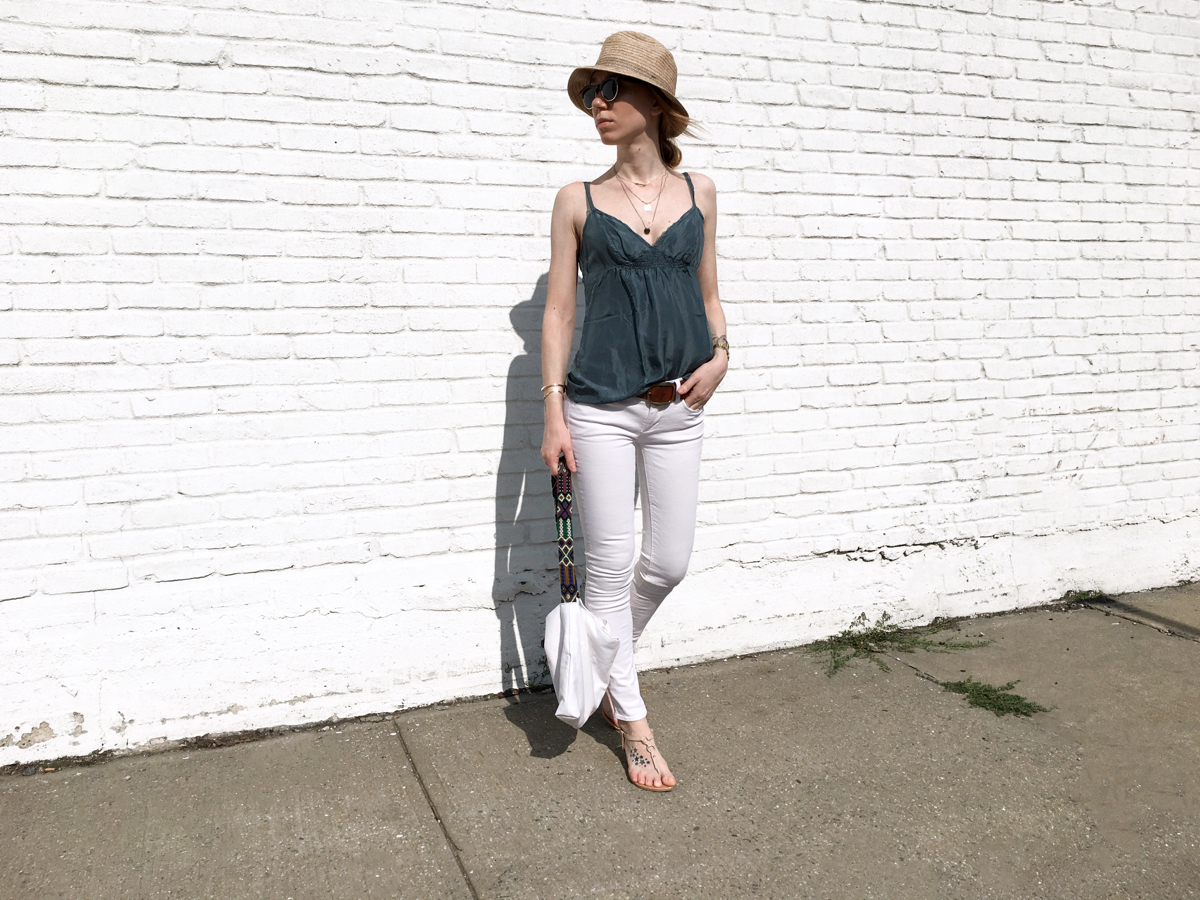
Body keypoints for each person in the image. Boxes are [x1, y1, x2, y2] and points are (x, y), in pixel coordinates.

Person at [540, 32, 729, 792]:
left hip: (679, 404)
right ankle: (634, 720)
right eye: (592, 94)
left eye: (613, 91)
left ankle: (602, 664)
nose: (599, 106)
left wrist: (722, 355)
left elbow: (710, 293)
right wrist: (552, 411)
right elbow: (558, 313)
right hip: (597, 408)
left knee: (671, 561)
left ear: (657, 104)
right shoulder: (576, 201)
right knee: (611, 567)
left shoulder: (701, 192)